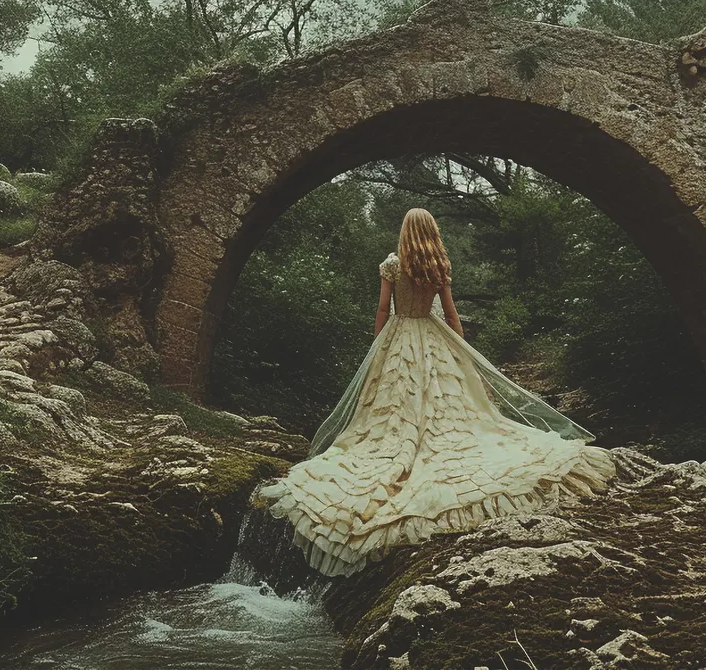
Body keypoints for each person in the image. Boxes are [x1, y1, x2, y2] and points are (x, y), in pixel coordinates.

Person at [251, 207, 617, 577]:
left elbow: (382, 308)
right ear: (432, 231)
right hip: (432, 336)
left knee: (394, 403)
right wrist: (463, 352)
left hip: (399, 337)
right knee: (447, 401)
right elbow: (452, 313)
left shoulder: (392, 265)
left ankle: (401, 445)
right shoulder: (438, 265)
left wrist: (378, 346)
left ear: (405, 231)